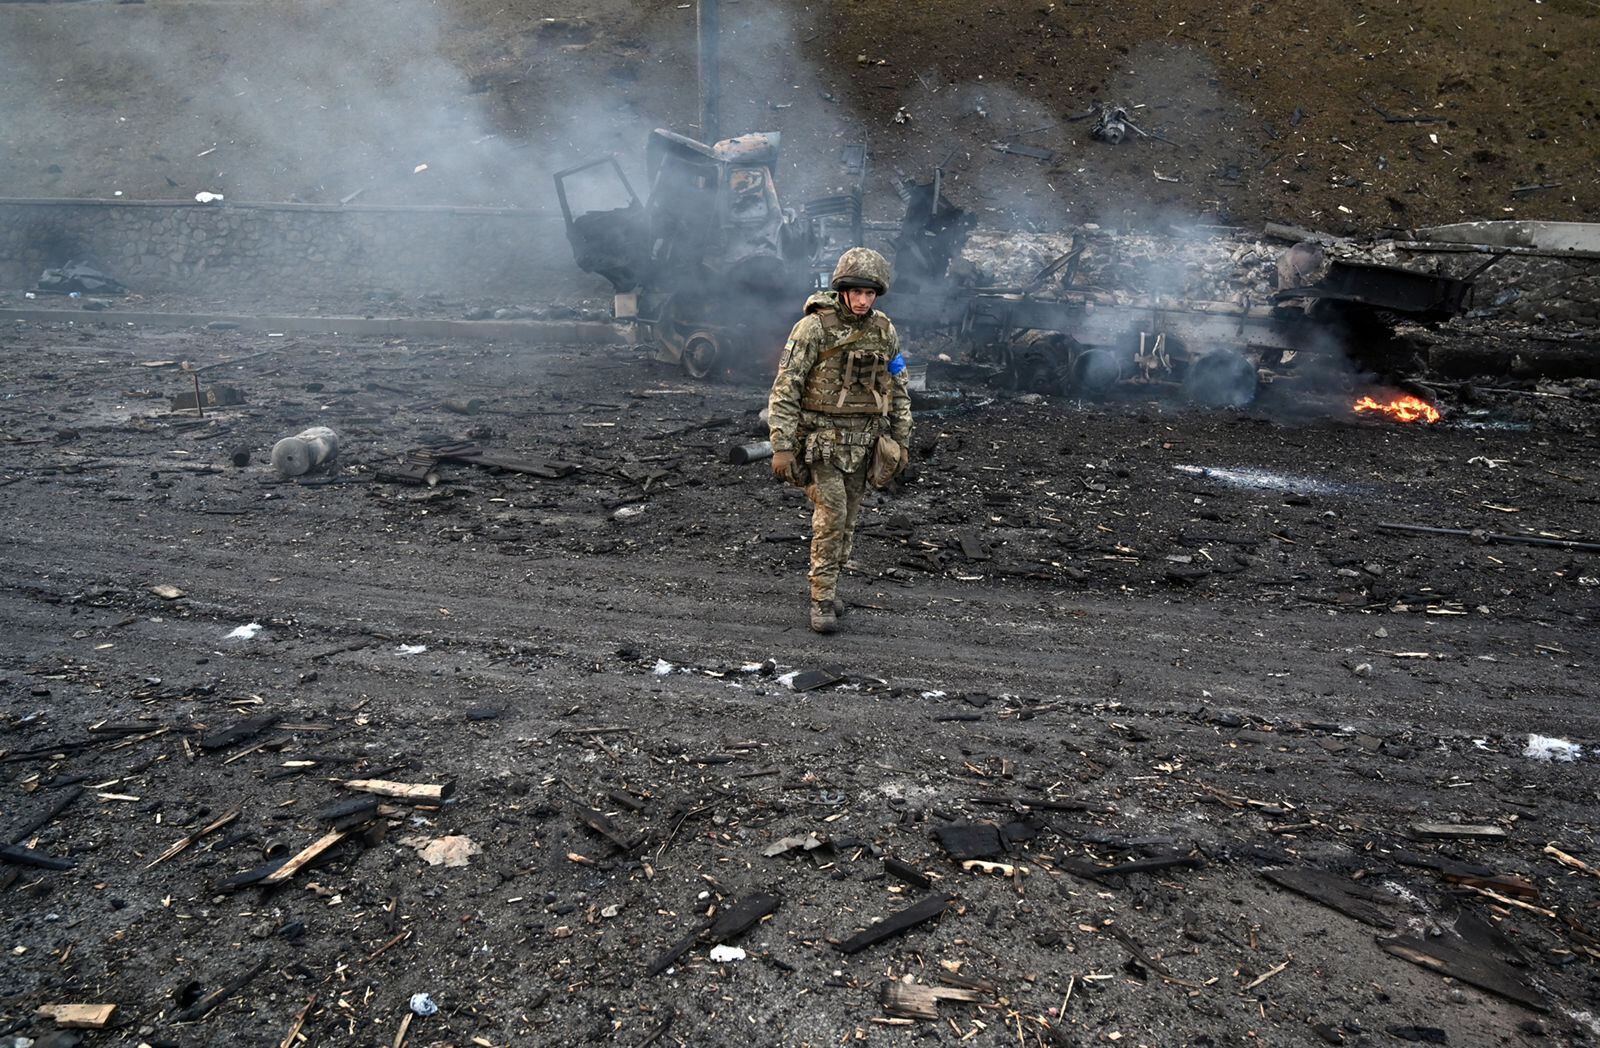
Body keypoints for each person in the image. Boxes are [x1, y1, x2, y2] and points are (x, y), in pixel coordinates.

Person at [767, 247, 912, 634]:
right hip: (822, 445)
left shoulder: (884, 330)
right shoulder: (813, 328)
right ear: (844, 289)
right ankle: (820, 601)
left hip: (864, 446)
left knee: (848, 523)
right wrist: (782, 445)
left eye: (871, 293)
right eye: (857, 292)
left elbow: (898, 387)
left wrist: (901, 441)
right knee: (830, 519)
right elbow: (786, 388)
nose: (864, 300)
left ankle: (829, 591)